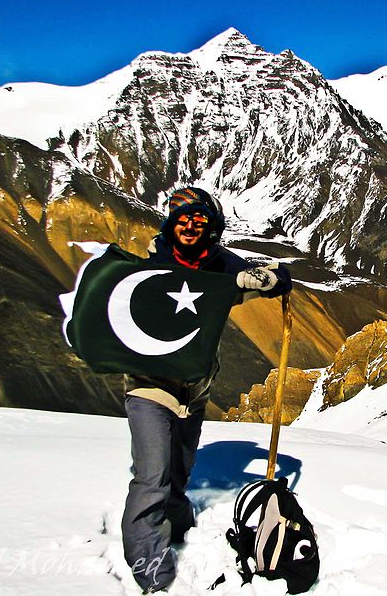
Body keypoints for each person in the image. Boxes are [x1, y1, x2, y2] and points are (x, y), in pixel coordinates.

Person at [120, 186, 292, 594]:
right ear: (170, 223)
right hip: (150, 388)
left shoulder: (218, 268)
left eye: (201, 220)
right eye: (184, 218)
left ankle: (179, 526)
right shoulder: (151, 267)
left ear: (211, 226)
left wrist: (265, 277)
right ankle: (153, 574)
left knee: (178, 469)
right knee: (152, 477)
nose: (191, 226)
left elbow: (277, 278)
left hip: (194, 391)